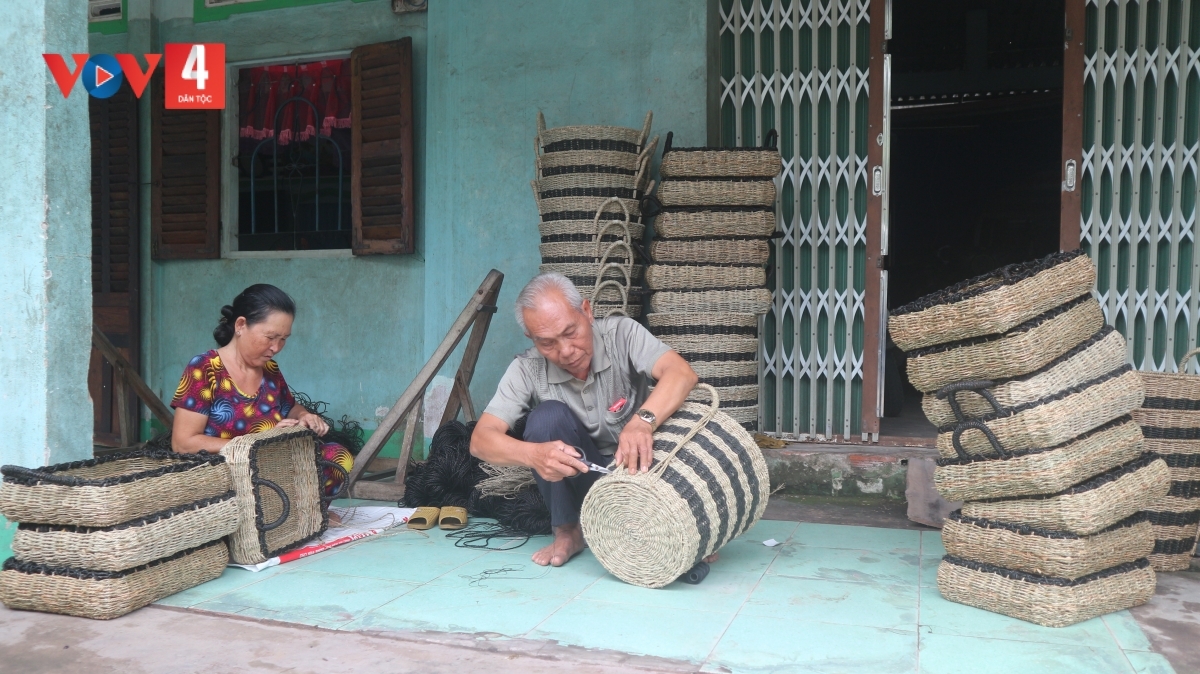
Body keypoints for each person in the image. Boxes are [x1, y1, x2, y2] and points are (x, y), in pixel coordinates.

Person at [470, 273, 704, 568]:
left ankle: (678, 524)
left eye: (571, 332)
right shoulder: (527, 368)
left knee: (679, 539)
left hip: (641, 470)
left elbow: (681, 373)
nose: (566, 351)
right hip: (587, 478)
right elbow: (480, 440)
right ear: (532, 338)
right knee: (546, 418)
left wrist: (643, 421)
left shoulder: (622, 334)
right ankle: (568, 531)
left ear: (587, 311)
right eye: (548, 343)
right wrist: (535, 455)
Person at [169, 284, 350, 513]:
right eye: (270, 337)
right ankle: (287, 516)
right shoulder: (205, 369)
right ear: (241, 325)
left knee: (336, 457)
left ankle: (307, 516)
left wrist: (305, 416)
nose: (276, 347)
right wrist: (258, 442)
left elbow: (290, 407)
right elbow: (183, 443)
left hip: (268, 469)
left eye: (284, 339)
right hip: (225, 476)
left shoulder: (270, 370)